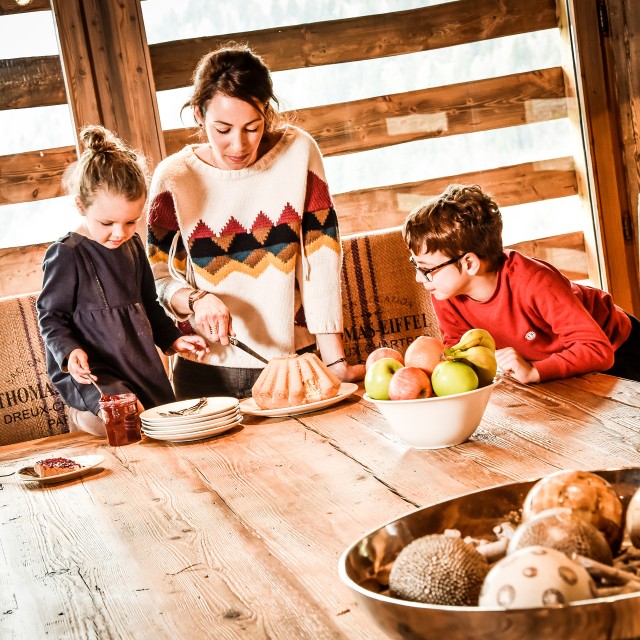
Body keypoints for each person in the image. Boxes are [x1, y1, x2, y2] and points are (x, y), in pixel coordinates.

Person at [147, 43, 364, 400]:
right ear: (199, 116)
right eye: (223, 129)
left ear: (267, 113)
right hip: (205, 375)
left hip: (298, 365)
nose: (238, 145)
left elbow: (322, 259)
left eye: (252, 127)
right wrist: (196, 299)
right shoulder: (174, 177)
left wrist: (335, 361)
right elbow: (157, 279)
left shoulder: (298, 153)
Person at [37, 126, 209, 436]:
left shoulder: (131, 246)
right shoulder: (67, 254)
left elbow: (149, 306)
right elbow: (51, 316)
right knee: (124, 416)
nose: (120, 232)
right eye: (107, 223)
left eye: (131, 221)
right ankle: (81, 416)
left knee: (161, 423)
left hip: (137, 363)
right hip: (95, 371)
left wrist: (173, 339)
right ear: (81, 206)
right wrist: (68, 351)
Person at [402, 183, 640, 384]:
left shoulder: (534, 281)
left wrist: (535, 371)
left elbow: (597, 350)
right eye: (417, 266)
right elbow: (460, 348)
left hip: (620, 350)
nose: (418, 278)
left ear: (469, 264)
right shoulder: (444, 290)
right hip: (556, 366)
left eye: (426, 269)